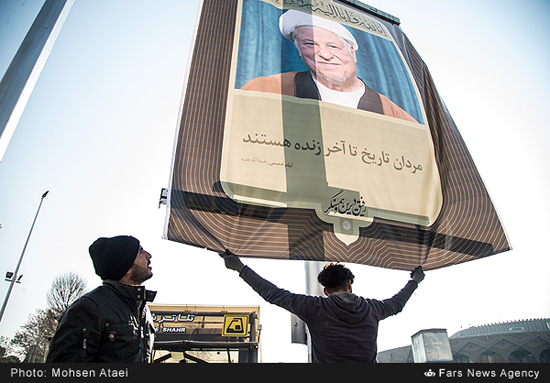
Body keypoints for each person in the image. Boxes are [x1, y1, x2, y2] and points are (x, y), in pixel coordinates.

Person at [221, 251, 424, 363]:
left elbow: (274, 294)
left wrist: (240, 267)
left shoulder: (315, 307)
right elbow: (397, 303)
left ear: (325, 291)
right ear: (349, 284)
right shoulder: (373, 309)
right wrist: (415, 280)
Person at [241, 9, 418, 123]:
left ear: (352, 53)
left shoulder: (397, 117)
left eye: (333, 46)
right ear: (298, 49)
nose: (324, 55)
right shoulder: (265, 90)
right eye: (310, 44)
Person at [46, 235, 156, 363]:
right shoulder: (89, 308)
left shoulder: (143, 311)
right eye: (140, 252)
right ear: (126, 268)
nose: (149, 256)